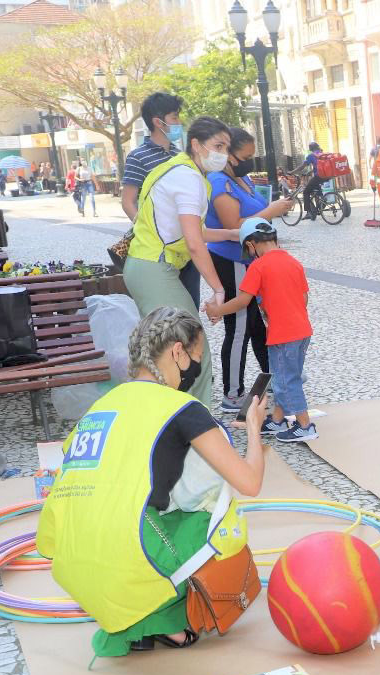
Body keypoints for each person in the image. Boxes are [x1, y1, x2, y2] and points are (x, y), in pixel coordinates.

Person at [37, 307, 267, 658]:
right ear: (177, 351)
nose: (195, 369)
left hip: (71, 560)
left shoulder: (102, 405)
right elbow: (249, 482)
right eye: (196, 358)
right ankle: (166, 620)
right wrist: (253, 426)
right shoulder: (182, 408)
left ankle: (131, 619)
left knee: (142, 511)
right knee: (214, 516)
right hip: (130, 555)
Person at [125, 116, 240, 403]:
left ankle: (169, 417)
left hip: (147, 266)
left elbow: (192, 231)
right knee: (191, 343)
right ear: (196, 144)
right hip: (154, 268)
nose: (222, 153)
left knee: (164, 350)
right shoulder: (188, 177)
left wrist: (230, 233)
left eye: (226, 147)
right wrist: (219, 290)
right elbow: (194, 242)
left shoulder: (179, 171)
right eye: (217, 145)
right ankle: (197, 422)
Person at [205, 127, 295, 412]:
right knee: (240, 326)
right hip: (232, 259)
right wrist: (271, 211)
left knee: (258, 325)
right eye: (245, 156)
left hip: (252, 259)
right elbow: (236, 224)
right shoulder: (219, 182)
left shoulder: (241, 178)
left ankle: (274, 382)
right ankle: (232, 394)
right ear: (229, 155)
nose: (249, 162)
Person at [206, 219, 317, 443]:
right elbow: (304, 298)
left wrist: (218, 309)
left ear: (251, 245)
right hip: (300, 331)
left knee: (287, 381)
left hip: (283, 335)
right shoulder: (293, 262)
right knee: (281, 377)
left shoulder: (258, 266)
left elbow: (242, 301)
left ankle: (305, 425)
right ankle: (277, 421)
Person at [123, 93, 184, 221]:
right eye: (174, 118)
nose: (179, 122)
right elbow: (128, 203)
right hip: (154, 237)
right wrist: (146, 230)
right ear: (158, 122)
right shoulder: (137, 157)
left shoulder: (179, 154)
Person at [301, 142, 327, 221]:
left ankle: (308, 212)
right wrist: (311, 171)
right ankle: (321, 203)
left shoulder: (311, 156)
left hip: (318, 177)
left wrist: (292, 172)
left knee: (306, 192)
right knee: (316, 189)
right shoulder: (322, 154)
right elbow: (319, 166)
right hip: (326, 176)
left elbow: (303, 166)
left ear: (310, 149)